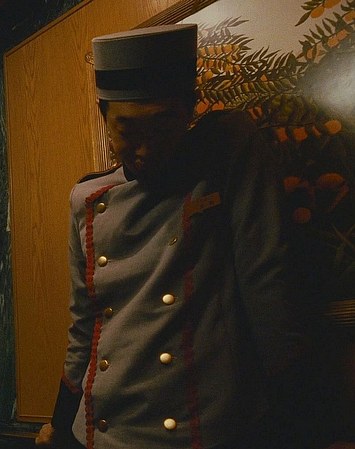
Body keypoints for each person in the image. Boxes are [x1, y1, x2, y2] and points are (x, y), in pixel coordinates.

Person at [35, 24, 310, 449]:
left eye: (162, 126)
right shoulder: (86, 198)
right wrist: (57, 423)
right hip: (101, 427)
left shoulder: (226, 151)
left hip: (196, 427)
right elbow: (85, 323)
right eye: (128, 130)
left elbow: (265, 279)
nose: (145, 150)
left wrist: (303, 418)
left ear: (188, 112)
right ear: (104, 117)